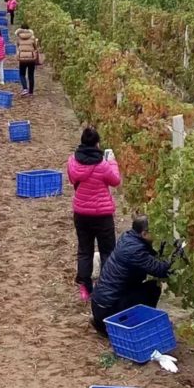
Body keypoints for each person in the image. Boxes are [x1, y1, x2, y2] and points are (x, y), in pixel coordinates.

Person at [91, 215, 172, 336]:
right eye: (156, 233)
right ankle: (133, 326)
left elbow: (153, 254)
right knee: (153, 288)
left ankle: (103, 323)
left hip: (100, 305)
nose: (159, 236)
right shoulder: (135, 251)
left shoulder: (128, 238)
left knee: (141, 288)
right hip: (108, 310)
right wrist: (177, 255)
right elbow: (161, 270)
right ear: (144, 234)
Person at [67, 127, 121, 302]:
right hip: (102, 215)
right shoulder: (103, 165)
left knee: (85, 251)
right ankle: (104, 287)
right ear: (97, 144)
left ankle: (85, 288)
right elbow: (116, 181)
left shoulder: (72, 162)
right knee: (107, 251)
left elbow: (73, 180)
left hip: (81, 213)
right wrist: (112, 162)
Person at [15, 24, 38, 97]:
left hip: (22, 58)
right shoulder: (32, 37)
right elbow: (35, 47)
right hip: (31, 58)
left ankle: (25, 88)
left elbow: (18, 46)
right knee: (31, 75)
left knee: (22, 74)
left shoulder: (19, 38)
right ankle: (31, 92)